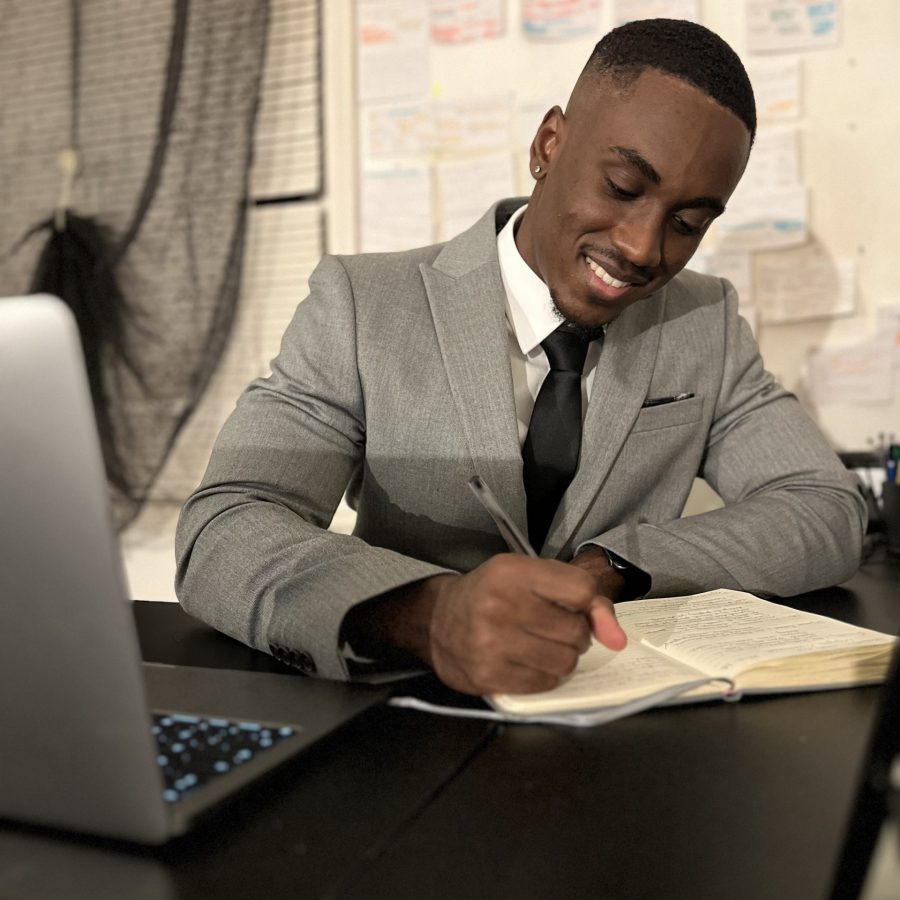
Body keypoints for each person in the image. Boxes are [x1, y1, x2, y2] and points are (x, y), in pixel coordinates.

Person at [175, 18, 865, 697]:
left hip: (615, 734)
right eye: (623, 187)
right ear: (549, 144)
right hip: (403, 729)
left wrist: (618, 564)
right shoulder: (362, 305)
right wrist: (432, 615)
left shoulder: (703, 321)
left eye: (687, 223)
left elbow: (826, 508)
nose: (643, 247)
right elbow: (226, 525)